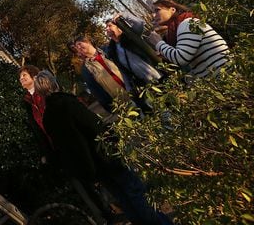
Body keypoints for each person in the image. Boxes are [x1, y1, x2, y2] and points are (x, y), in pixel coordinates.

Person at [34, 71, 173, 225]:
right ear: (55, 83)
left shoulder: (48, 118)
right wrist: (113, 137)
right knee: (134, 191)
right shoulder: (68, 103)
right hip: (105, 155)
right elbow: (94, 125)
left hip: (92, 165)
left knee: (123, 198)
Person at [146, 0, 229, 78]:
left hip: (225, 75)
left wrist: (158, 43)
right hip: (220, 76)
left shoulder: (187, 24)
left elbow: (181, 58)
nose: (153, 15)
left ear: (172, 10)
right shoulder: (178, 29)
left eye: (157, 10)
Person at [74, 37, 130, 113]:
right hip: (123, 101)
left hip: (134, 87)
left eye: (79, 44)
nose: (79, 48)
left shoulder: (107, 49)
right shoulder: (86, 69)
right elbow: (96, 90)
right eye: (77, 47)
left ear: (88, 42)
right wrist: (110, 107)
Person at [19, 65, 54, 164]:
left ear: (34, 76)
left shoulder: (47, 91)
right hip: (51, 145)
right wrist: (44, 152)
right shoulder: (27, 101)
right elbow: (36, 129)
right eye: (20, 77)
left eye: (24, 75)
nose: (21, 78)